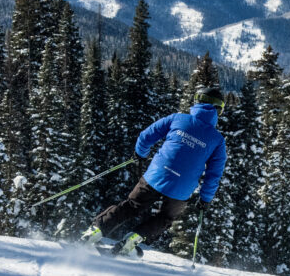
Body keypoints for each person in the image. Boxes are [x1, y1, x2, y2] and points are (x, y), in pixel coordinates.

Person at [80, 86, 228, 255]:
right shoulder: (218, 140)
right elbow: (214, 174)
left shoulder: (177, 119)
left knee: (132, 205)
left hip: (157, 174)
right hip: (182, 187)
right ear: (218, 110)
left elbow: (145, 136)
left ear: (196, 102)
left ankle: (95, 231)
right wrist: (205, 199)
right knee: (164, 218)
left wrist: (140, 154)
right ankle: (131, 241)